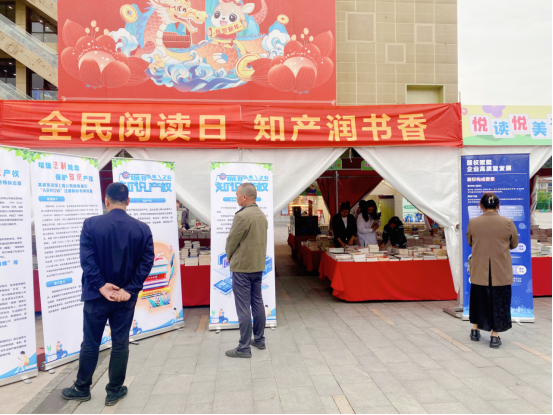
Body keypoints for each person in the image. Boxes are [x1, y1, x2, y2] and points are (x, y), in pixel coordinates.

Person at [62, 183, 154, 406]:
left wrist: (101, 286)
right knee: (120, 343)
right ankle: (114, 391)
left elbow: (87, 260)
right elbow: (146, 262)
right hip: (124, 298)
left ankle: (82, 388)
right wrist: (129, 289)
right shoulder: (142, 228)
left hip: (96, 296)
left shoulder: (91, 224)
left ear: (106, 201)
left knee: (90, 342)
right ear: (128, 201)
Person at [467, 193, 518, 349]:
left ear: (481, 205)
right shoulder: (508, 222)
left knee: (478, 300)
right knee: (499, 302)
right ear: (498, 205)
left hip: (479, 269)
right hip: (500, 270)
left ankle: (475, 330)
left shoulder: (473, 222)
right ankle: (495, 336)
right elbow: (514, 244)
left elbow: (470, 242)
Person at [225, 183, 268, 358]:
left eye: (237, 195)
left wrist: (229, 256)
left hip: (242, 267)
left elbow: (232, 241)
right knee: (257, 302)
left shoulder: (242, 216)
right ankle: (259, 339)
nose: (236, 198)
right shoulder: (261, 215)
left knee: (243, 306)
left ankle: (243, 347)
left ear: (244, 197)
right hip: (257, 266)